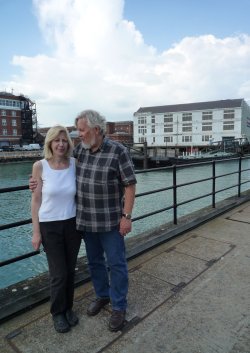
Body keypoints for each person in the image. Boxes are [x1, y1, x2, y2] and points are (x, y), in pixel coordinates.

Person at [73, 110, 137, 332]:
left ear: (96, 130)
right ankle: (102, 295)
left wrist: (126, 217)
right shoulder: (80, 150)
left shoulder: (117, 151)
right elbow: (57, 164)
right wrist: (37, 177)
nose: (78, 134)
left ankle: (119, 306)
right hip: (86, 221)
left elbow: (129, 185)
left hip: (111, 222)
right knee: (94, 262)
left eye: (82, 130)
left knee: (117, 264)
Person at [31, 125, 82, 333]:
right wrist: (36, 232)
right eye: (56, 140)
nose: (60, 144)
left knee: (70, 270)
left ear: (68, 144)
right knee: (58, 273)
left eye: (64, 140)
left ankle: (68, 307)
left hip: (72, 223)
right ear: (49, 143)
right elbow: (35, 201)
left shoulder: (75, 164)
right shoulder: (40, 166)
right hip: (49, 225)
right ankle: (57, 313)